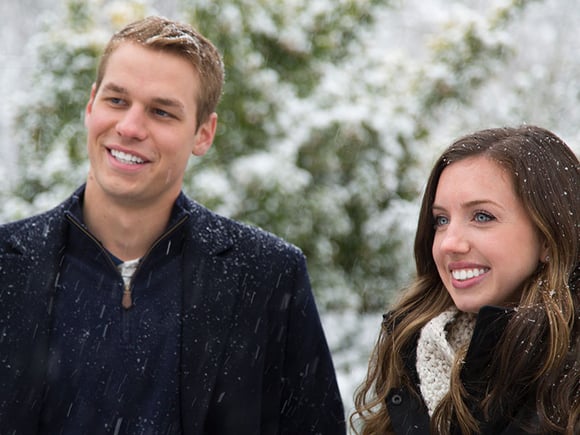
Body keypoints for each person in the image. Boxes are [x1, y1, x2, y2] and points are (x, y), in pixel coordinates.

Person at [0, 16, 345, 434]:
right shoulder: (6, 267)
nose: (129, 127)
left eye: (161, 111)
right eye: (116, 100)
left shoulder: (269, 277)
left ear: (203, 134)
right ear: (91, 105)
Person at [351, 125, 580, 434]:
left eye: (482, 216)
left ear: (548, 239)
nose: (449, 243)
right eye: (441, 220)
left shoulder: (569, 383)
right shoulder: (414, 355)